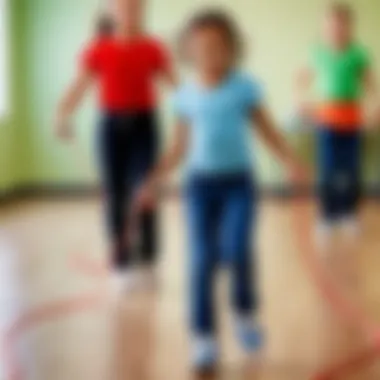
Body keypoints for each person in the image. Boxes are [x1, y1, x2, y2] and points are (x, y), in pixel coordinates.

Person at [136, 9, 306, 372]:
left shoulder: (245, 88)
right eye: (202, 47)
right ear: (189, 52)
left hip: (239, 185)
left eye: (219, 46)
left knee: (238, 247)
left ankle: (244, 313)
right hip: (199, 187)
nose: (211, 54)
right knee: (202, 259)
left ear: (232, 50)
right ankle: (204, 336)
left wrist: (290, 159)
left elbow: (268, 131)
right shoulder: (184, 95)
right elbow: (178, 147)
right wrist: (154, 178)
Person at [55, 0, 175, 293]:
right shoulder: (98, 49)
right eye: (122, 7)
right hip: (110, 128)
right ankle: (120, 262)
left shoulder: (153, 48)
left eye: (135, 7)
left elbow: (176, 87)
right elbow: (79, 85)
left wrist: (199, 112)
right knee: (115, 193)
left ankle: (147, 258)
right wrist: (62, 113)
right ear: (111, 11)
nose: (129, 12)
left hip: (144, 126)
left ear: (143, 9)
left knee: (145, 189)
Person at [296, 2, 378, 244]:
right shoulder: (317, 53)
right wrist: (302, 102)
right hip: (327, 120)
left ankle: (349, 214)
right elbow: (301, 80)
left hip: (351, 119)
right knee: (329, 170)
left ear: (350, 27)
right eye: (331, 25)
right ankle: (327, 215)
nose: (337, 30)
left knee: (351, 169)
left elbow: (371, 86)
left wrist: (375, 110)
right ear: (325, 28)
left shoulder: (358, 54)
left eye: (342, 25)